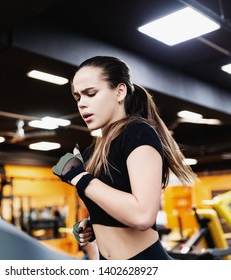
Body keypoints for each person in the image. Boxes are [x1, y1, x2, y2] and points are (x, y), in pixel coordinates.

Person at [52, 56, 197, 260]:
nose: (82, 104)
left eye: (91, 94)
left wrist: (80, 177)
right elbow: (114, 204)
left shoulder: (137, 133)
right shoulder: (91, 153)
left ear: (120, 92)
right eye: (78, 97)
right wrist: (95, 225)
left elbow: (142, 215)